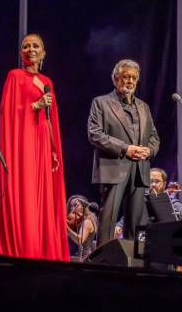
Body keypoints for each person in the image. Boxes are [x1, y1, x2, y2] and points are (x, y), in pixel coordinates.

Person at [0, 34, 70, 261]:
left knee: (43, 193)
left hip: (44, 140)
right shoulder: (15, 76)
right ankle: (25, 247)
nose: (30, 49)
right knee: (25, 187)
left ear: (43, 53)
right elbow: (8, 111)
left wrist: (54, 149)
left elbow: (50, 118)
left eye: (36, 46)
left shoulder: (47, 81)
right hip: (24, 139)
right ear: (21, 53)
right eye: (26, 46)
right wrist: (35, 104)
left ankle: (44, 249)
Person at [88, 59, 160, 246]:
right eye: (126, 77)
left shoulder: (143, 107)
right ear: (115, 78)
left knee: (135, 223)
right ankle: (102, 260)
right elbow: (95, 134)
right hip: (114, 167)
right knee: (108, 220)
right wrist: (125, 148)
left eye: (134, 78)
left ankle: (132, 263)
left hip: (140, 170)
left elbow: (154, 137)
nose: (130, 81)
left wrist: (149, 151)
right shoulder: (102, 102)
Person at [66, 195, 98, 262]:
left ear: (83, 207)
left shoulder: (87, 221)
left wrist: (67, 228)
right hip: (72, 256)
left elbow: (80, 240)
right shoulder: (75, 221)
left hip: (83, 258)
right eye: (71, 206)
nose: (72, 208)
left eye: (76, 205)